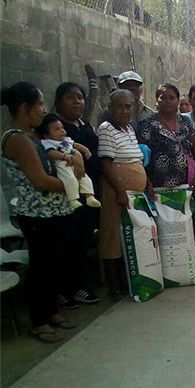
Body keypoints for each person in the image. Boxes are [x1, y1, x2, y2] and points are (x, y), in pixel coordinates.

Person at [1, 82, 77, 343]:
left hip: (52, 210)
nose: (44, 110)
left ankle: (51, 310)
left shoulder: (33, 135)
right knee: (41, 266)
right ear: (24, 108)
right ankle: (39, 319)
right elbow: (40, 180)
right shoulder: (18, 139)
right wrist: (72, 185)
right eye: (40, 105)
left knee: (54, 262)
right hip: (36, 213)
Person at [54, 82, 102, 307]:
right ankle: (64, 289)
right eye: (71, 97)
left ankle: (79, 286)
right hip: (68, 196)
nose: (77, 102)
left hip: (89, 193)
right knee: (66, 243)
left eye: (80, 97)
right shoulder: (56, 129)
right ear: (59, 102)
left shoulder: (84, 126)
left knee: (82, 242)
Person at [97, 89, 147, 295]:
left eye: (128, 106)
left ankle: (128, 279)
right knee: (112, 236)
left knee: (129, 236)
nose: (125, 110)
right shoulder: (107, 129)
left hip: (133, 193)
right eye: (120, 106)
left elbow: (136, 160)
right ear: (110, 108)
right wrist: (119, 190)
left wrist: (148, 184)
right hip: (116, 190)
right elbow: (106, 163)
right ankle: (114, 286)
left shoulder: (129, 129)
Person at [136, 83, 195, 196]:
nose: (168, 101)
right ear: (157, 101)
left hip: (186, 188)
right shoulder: (147, 124)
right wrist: (147, 182)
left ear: (177, 101)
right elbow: (139, 157)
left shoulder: (187, 123)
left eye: (171, 98)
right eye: (163, 98)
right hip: (157, 188)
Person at [36, 114, 101, 210]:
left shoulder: (67, 140)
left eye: (62, 128)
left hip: (74, 164)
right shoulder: (48, 142)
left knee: (85, 179)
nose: (62, 130)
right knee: (70, 180)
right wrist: (64, 156)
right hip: (63, 165)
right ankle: (73, 199)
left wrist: (85, 150)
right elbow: (51, 152)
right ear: (46, 135)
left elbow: (76, 145)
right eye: (57, 129)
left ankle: (90, 196)